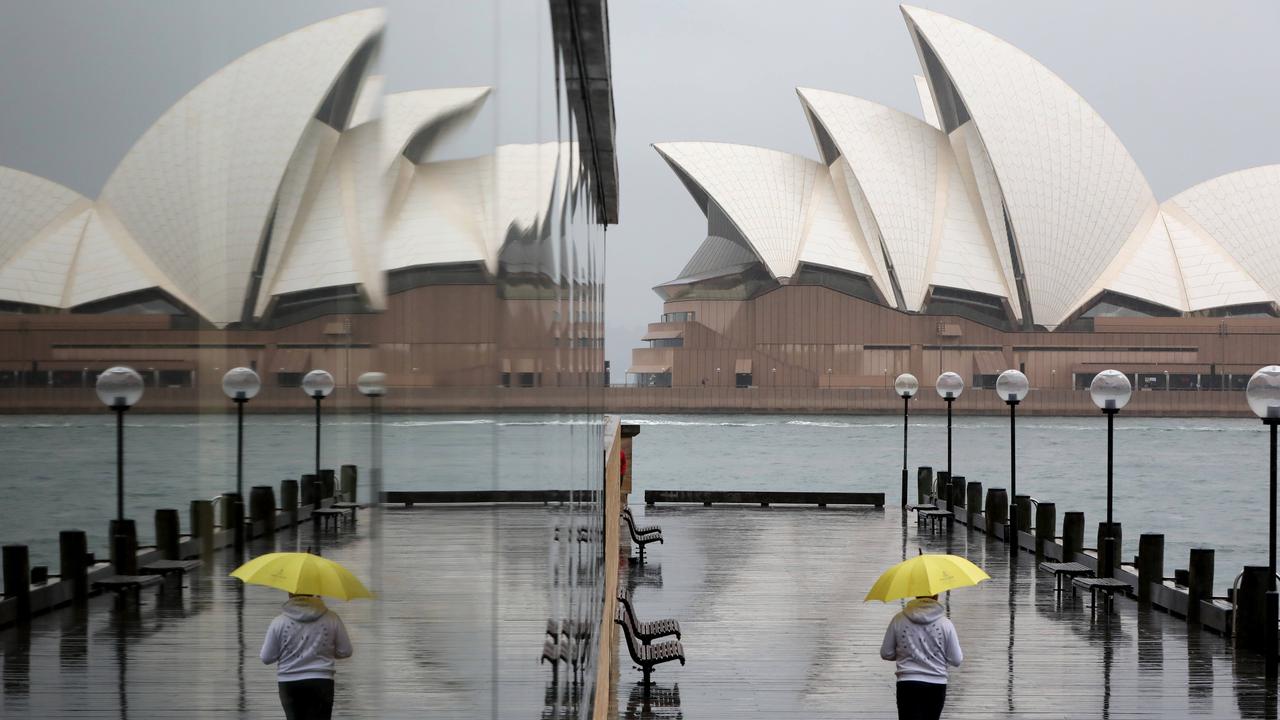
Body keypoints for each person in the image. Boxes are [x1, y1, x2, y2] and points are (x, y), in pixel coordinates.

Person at [260, 593, 353, 720]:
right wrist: (325, 651)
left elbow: (266, 657)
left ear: (290, 592)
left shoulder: (279, 622)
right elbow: (345, 651)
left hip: (289, 682)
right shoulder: (332, 618)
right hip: (322, 681)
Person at [879, 594, 963, 720]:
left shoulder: (898, 619)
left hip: (907, 683)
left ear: (916, 593)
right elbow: (956, 660)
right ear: (936, 595)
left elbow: (886, 653)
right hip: (936, 684)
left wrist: (905, 653)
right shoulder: (946, 624)